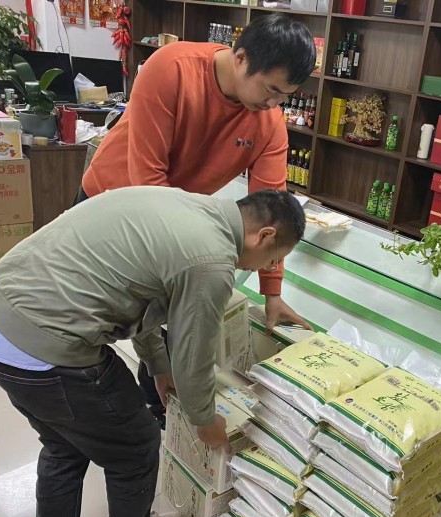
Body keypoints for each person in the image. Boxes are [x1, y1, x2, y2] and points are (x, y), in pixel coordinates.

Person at [0, 187, 305, 517]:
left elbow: (141, 292)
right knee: (138, 443)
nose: (267, 267)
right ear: (265, 235)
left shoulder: (184, 206)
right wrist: (204, 419)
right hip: (45, 345)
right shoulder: (212, 262)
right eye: (273, 259)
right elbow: (193, 351)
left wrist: (157, 365)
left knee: (64, 445)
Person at [79, 14, 316, 423]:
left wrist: (272, 292)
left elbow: (274, 212)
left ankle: (161, 411)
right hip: (111, 202)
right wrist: (189, 260)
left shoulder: (269, 123)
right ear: (241, 58)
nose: (274, 104)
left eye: (286, 96)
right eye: (271, 89)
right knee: (98, 319)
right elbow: (148, 182)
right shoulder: (171, 68)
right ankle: (91, 408)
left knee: (164, 316)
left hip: (172, 213)